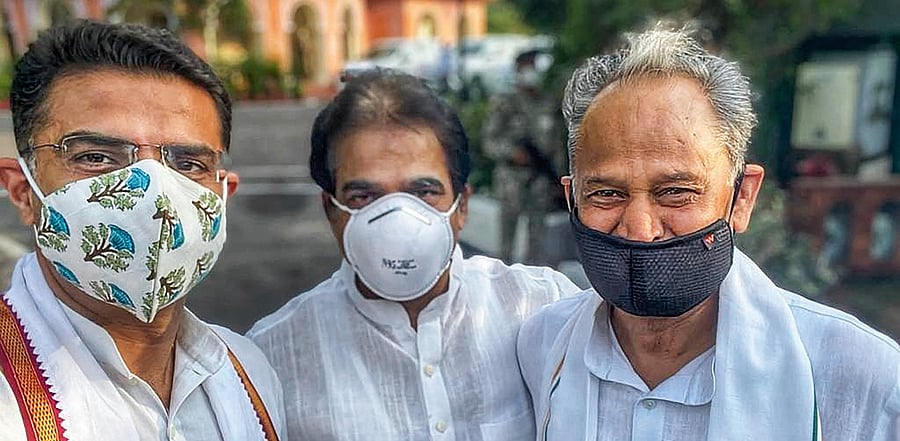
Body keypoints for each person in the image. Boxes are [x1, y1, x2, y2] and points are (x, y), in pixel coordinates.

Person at [517, 26, 900, 440]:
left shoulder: (861, 380)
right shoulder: (541, 348)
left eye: (676, 192)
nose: (641, 230)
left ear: (742, 198)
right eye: (607, 194)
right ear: (573, 199)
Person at [248, 69, 580, 441]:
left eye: (423, 192)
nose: (397, 219)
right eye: (364, 196)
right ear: (332, 211)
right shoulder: (272, 358)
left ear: (461, 206)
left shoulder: (543, 309)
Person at [0, 21, 284, 440]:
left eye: (187, 164)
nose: (153, 194)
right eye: (96, 157)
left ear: (222, 197)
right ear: (23, 192)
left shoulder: (247, 372)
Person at [482, 49, 566, 263]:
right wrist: (512, 153)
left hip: (540, 180)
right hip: (512, 180)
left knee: (538, 239)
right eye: (528, 67)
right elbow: (489, 142)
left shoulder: (547, 103)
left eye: (534, 66)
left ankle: (533, 277)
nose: (532, 72)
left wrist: (559, 178)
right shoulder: (505, 102)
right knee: (507, 242)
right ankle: (503, 277)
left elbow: (557, 145)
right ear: (518, 70)